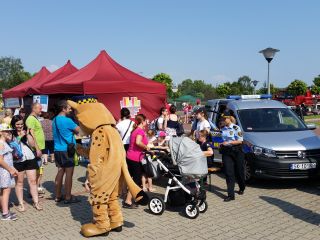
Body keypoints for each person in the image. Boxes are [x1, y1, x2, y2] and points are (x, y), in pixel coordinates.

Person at [10, 116, 43, 211]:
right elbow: (12, 146)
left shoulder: (27, 132)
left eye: (21, 124)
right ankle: (21, 204)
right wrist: (20, 136)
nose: (20, 126)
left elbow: (32, 145)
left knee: (33, 181)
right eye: (17, 124)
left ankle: (36, 202)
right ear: (14, 124)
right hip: (18, 160)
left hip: (30, 158)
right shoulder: (10, 133)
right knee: (19, 183)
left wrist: (30, 135)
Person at [52, 100, 80, 204]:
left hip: (57, 150)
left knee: (60, 172)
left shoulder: (54, 120)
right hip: (68, 150)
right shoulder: (67, 120)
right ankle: (68, 197)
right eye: (68, 107)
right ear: (63, 109)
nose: (70, 109)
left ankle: (58, 196)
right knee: (69, 174)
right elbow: (79, 130)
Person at [124, 114, 149, 208]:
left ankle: (130, 198)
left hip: (130, 156)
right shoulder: (140, 131)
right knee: (136, 180)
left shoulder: (134, 130)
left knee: (132, 179)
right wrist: (146, 147)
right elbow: (138, 142)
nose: (147, 123)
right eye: (146, 121)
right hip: (135, 158)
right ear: (142, 122)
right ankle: (128, 201)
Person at [219, 111, 245, 202]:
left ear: (229, 118)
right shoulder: (222, 128)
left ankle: (242, 187)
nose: (223, 120)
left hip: (237, 151)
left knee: (239, 172)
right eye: (223, 118)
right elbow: (222, 139)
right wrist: (221, 144)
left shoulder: (236, 128)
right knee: (229, 173)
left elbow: (240, 141)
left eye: (225, 118)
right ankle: (231, 195)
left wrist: (229, 142)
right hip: (227, 152)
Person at [25, 103, 45, 194]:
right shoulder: (31, 119)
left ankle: (35, 190)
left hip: (38, 149)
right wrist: (37, 148)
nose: (41, 110)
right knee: (35, 172)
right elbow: (31, 135)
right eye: (40, 109)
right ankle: (33, 192)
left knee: (38, 171)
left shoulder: (34, 118)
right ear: (34, 108)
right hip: (35, 150)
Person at [0, 123, 18, 220]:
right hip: (4, 171)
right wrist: (10, 169)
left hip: (6, 170)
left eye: (9, 131)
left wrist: (12, 168)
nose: (9, 132)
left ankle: (4, 211)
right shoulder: (1, 143)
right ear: (1, 132)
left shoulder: (5, 142)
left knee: (4, 191)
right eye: (6, 131)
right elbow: (0, 160)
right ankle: (5, 214)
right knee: (6, 191)